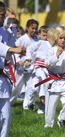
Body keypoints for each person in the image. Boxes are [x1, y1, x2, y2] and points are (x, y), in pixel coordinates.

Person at [42, 26, 65, 128]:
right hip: (53, 81)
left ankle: (62, 119)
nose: (63, 40)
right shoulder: (51, 50)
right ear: (56, 38)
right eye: (61, 38)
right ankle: (49, 125)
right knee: (51, 106)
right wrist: (56, 55)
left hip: (64, 80)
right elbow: (48, 64)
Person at [0, 2, 25, 136]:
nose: (3, 18)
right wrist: (11, 49)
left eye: (4, 15)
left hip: (2, 78)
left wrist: (9, 28)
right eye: (1, 15)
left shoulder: (4, 31)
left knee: (6, 117)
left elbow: (8, 48)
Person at [13, 19, 39, 110]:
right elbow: (14, 51)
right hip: (20, 66)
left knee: (31, 87)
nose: (34, 31)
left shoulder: (37, 39)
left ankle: (27, 106)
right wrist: (18, 60)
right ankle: (8, 103)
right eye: (32, 28)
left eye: (36, 29)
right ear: (27, 28)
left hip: (31, 66)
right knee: (16, 88)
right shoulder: (22, 39)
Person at [23, 25, 49, 114]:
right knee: (35, 87)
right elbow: (29, 49)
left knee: (41, 85)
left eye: (47, 36)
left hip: (47, 68)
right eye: (44, 35)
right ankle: (31, 102)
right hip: (37, 67)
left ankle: (42, 106)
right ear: (39, 34)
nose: (45, 37)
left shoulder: (51, 45)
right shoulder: (39, 43)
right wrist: (29, 58)